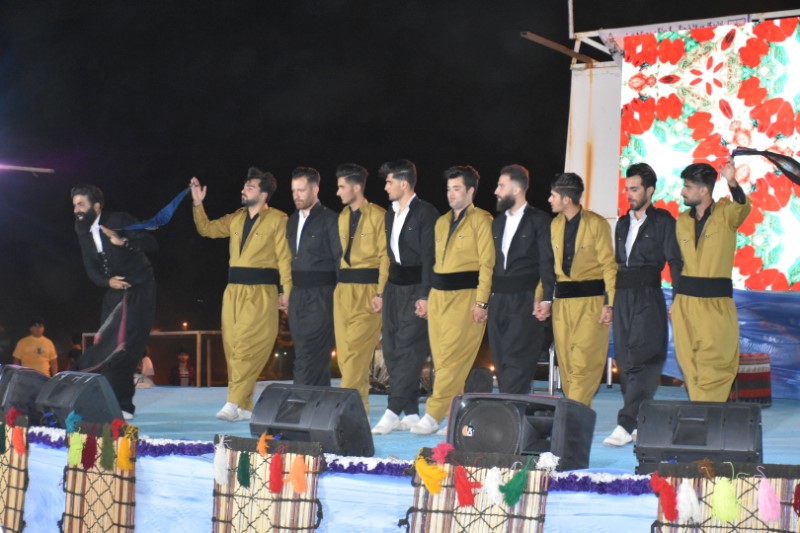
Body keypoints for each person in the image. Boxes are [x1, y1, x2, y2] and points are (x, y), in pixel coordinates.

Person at [190, 168, 292, 422]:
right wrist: (198, 204)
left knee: (246, 346)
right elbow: (207, 229)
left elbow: (285, 258)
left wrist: (286, 291)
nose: (243, 190)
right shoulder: (236, 218)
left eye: (250, 187)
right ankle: (245, 407)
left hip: (261, 292)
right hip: (233, 292)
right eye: (244, 186)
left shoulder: (278, 219)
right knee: (233, 347)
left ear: (263, 194)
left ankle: (232, 401)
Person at [411, 165, 494, 435]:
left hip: (465, 297)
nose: (451, 194)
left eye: (457, 189)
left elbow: (487, 264)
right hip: (439, 296)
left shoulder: (482, 220)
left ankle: (433, 413)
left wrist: (481, 302)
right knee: (444, 360)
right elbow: (431, 262)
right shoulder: (441, 222)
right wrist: (426, 296)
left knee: (451, 357)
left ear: (470, 191)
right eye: (448, 189)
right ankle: (453, 415)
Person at [604, 163, 682, 447]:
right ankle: (639, 420)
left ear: (650, 190)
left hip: (648, 295)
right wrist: (609, 302)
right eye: (627, 189)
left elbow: (675, 261)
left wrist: (678, 298)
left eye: (635, 189)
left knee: (642, 358)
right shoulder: (622, 223)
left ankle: (625, 422)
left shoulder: (663, 221)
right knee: (625, 360)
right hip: (622, 296)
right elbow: (615, 265)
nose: (629, 194)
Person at [72, 183, 158, 420]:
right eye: (74, 205)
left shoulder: (119, 219)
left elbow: (151, 243)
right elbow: (90, 267)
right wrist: (107, 281)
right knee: (106, 343)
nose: (76, 209)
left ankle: (123, 405)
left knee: (128, 346)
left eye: (81, 204)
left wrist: (123, 241)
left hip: (140, 288)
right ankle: (94, 394)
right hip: (114, 291)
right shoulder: (81, 229)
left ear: (96, 206)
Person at [671, 159, 750, 402]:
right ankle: (700, 410)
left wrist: (732, 182)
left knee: (716, 362)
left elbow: (742, 207)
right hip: (685, 303)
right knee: (690, 362)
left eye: (687, 186)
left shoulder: (726, 214)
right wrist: (675, 301)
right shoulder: (682, 221)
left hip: (715, 302)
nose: (682, 192)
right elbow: (679, 263)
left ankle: (709, 412)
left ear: (704, 190)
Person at [371, 160, 439, 435]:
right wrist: (381, 292)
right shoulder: (390, 213)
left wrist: (425, 295)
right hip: (393, 288)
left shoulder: (426, 213)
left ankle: (392, 409)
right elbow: (389, 257)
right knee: (391, 349)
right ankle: (410, 412)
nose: (385, 187)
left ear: (404, 183)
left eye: (389, 182)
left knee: (409, 350)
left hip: (416, 289)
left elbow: (429, 259)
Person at [545, 173, 616, 407]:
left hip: (591, 303)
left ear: (566, 199)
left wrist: (610, 303)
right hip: (562, 305)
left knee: (583, 362)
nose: (549, 200)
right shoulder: (555, 224)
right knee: (566, 363)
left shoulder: (596, 224)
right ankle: (575, 411)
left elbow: (609, 266)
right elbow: (548, 266)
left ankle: (572, 415)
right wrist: (541, 298)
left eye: (553, 195)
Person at [487, 164, 555, 394]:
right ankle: (513, 405)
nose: (496, 191)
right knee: (500, 357)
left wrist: (546, 298)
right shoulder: (497, 222)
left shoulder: (539, 220)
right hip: (498, 300)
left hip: (525, 299)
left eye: (501, 186)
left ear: (516, 189)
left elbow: (547, 262)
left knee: (518, 358)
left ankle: (511, 406)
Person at [333, 163, 389, 412]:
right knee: (346, 356)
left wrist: (381, 292)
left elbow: (386, 256)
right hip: (343, 291)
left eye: (341, 187)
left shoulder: (378, 216)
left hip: (368, 291)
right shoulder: (343, 217)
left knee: (356, 353)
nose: (338, 192)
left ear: (356, 187)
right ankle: (359, 407)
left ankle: (345, 409)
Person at [286, 167, 341, 387]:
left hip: (322, 295)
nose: (296, 195)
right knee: (303, 351)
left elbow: (340, 259)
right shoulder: (291, 221)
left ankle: (300, 399)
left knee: (312, 352)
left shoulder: (331, 219)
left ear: (315, 189)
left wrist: (340, 296)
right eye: (293, 191)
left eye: (301, 190)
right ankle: (317, 400)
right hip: (297, 295)